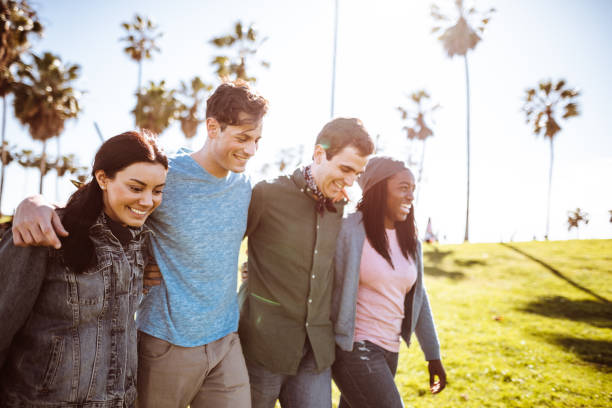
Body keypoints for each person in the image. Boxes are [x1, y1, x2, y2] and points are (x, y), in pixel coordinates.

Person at [10, 80, 269, 408]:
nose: (251, 150)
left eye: (258, 140)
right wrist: (33, 202)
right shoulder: (164, 174)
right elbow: (98, 197)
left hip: (225, 340)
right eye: (243, 138)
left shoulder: (244, 185)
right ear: (213, 127)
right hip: (167, 341)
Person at [0, 131, 168, 407]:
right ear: (102, 179)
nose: (148, 201)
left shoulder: (142, 242)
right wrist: (31, 203)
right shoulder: (46, 232)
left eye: (157, 190)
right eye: (136, 188)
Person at [240, 117, 375, 408]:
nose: (351, 181)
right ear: (319, 155)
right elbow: (223, 248)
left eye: (358, 173)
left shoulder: (339, 207)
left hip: (315, 354)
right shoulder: (266, 194)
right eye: (345, 169)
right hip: (262, 350)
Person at [331, 156, 447, 408]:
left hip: (389, 350)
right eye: (403, 188)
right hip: (354, 348)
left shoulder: (411, 241)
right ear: (379, 189)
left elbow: (419, 298)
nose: (410, 196)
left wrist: (433, 354)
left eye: (412, 190)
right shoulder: (349, 230)